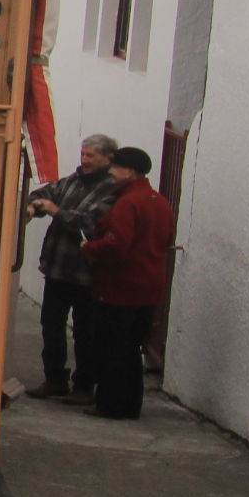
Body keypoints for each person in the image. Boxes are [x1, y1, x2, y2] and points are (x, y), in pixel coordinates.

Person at [80, 146, 178, 420]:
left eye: (116, 167)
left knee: (111, 348)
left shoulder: (128, 202)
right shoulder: (158, 201)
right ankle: (130, 404)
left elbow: (116, 245)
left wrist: (90, 248)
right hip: (149, 287)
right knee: (132, 348)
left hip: (120, 287)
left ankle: (110, 404)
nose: (110, 172)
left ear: (130, 171)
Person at [26, 134, 124, 401]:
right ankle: (54, 379)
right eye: (83, 154)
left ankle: (84, 385)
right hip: (58, 269)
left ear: (108, 158)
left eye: (91, 155)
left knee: (85, 331)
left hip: (86, 273)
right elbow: (45, 192)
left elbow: (90, 221)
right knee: (51, 324)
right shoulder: (74, 180)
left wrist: (56, 211)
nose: (85, 160)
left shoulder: (111, 189)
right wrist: (36, 205)